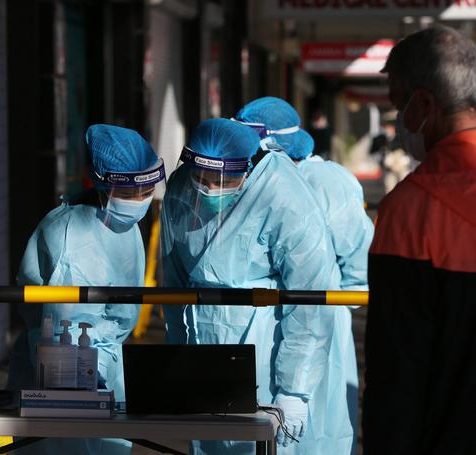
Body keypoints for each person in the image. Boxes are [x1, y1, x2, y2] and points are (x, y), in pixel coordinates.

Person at [161, 118, 341, 454]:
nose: (208, 188)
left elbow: (308, 298)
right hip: (200, 340)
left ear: (247, 167)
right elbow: (171, 274)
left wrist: (294, 389)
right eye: (201, 178)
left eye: (221, 180)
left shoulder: (284, 198)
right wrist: (178, 352)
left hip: (264, 350)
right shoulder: (182, 185)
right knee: (208, 443)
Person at [9, 124, 165, 455]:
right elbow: (62, 332)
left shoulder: (121, 224)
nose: (139, 200)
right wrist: (87, 385)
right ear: (101, 184)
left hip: (105, 370)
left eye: (146, 189)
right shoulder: (71, 236)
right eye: (128, 193)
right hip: (64, 375)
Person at [234, 97, 374, 455]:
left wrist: (337, 305)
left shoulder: (326, 181)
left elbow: (358, 256)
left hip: (322, 323)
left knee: (318, 428)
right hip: (269, 326)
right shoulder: (256, 180)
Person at [363, 26, 476, 454]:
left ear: (425, 104)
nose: (400, 122)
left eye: (397, 105)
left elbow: (398, 376)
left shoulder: (413, 210)